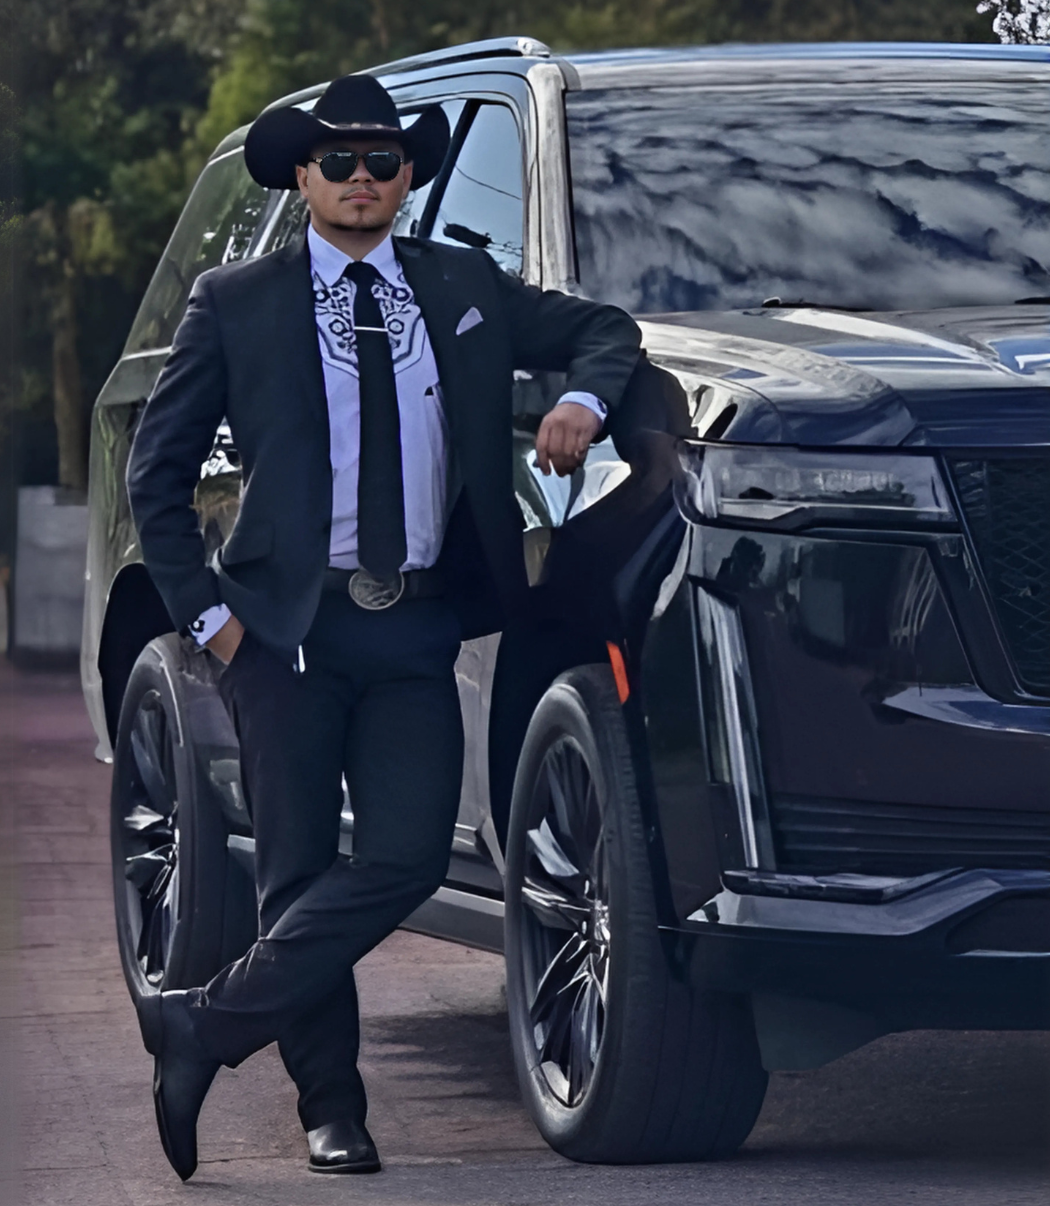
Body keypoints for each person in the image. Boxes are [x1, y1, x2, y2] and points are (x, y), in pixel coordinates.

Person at [126, 72, 641, 1182]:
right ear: (304, 178)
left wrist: (581, 402)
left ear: (406, 178)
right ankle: (331, 1108)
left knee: (406, 858)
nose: (363, 180)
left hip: (412, 627)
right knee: (299, 871)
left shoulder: (462, 286)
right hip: (281, 635)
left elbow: (606, 328)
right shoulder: (238, 299)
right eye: (339, 163)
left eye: (383, 163)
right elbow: (152, 475)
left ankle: (203, 1024)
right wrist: (211, 623)